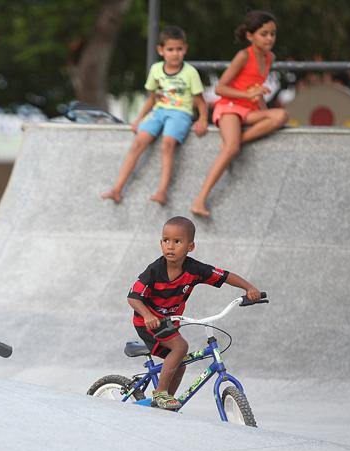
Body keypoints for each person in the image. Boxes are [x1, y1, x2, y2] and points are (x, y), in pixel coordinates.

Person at [127, 216, 260, 410]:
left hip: (169, 323)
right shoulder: (154, 271)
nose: (170, 246)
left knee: (180, 364)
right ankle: (160, 393)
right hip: (148, 322)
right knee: (180, 347)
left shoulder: (194, 269)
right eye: (166, 240)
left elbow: (224, 276)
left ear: (190, 247)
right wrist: (147, 315)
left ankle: (164, 405)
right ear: (161, 243)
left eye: (177, 241)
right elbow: (133, 297)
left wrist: (249, 288)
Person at [191, 11, 289, 217]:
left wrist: (263, 110)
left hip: (249, 109)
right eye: (264, 34)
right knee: (232, 149)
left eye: (273, 34)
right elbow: (220, 88)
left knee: (280, 116)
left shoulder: (269, 58)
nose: (269, 38)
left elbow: (256, 91)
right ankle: (200, 200)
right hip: (230, 107)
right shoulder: (244, 56)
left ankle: (235, 142)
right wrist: (247, 94)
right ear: (250, 36)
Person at [102, 26, 208, 205]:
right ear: (161, 50)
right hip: (159, 111)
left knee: (167, 143)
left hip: (180, 112)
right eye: (170, 49)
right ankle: (117, 189)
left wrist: (202, 119)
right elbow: (152, 98)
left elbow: (200, 100)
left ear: (185, 49)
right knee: (138, 142)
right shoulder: (156, 70)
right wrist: (139, 119)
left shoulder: (190, 72)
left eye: (179, 49)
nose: (175, 54)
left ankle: (162, 191)